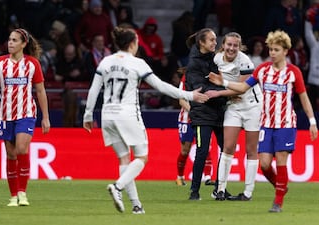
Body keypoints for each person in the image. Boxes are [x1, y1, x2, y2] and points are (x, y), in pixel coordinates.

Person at [82, 26, 209, 214]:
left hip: (107, 114)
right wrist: (189, 95)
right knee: (141, 157)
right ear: (133, 43)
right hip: (127, 114)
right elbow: (161, 86)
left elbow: (94, 89)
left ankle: (136, 205)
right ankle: (117, 187)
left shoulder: (105, 62)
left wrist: (88, 114)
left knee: (124, 159)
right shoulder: (137, 63)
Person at [209, 30, 318, 212]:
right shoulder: (262, 70)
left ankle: (278, 202)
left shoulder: (293, 72)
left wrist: (312, 121)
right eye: (271, 49)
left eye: (276, 49)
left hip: (285, 124)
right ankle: (281, 186)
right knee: (265, 164)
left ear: (285, 51)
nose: (272, 53)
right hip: (266, 124)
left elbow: (304, 97)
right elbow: (244, 87)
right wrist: (224, 83)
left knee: (281, 161)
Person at [0, 28, 51, 207]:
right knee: (11, 155)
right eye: (9, 40)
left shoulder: (33, 64)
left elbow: (41, 91)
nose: (10, 43)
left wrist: (46, 117)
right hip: (6, 114)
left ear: (23, 44)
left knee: (21, 148)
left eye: (14, 40)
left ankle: (22, 193)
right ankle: (13, 196)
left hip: (26, 113)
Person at [206, 32, 262, 201]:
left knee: (251, 150)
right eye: (229, 45)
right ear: (223, 45)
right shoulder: (216, 60)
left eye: (235, 45)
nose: (231, 48)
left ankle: (247, 193)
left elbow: (242, 88)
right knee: (228, 147)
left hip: (252, 105)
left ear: (239, 47)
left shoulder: (245, 61)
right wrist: (227, 94)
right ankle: (220, 189)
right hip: (233, 106)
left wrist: (220, 92)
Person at [185, 28, 229, 200]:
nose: (214, 42)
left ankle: (220, 188)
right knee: (202, 151)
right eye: (211, 40)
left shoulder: (217, 60)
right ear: (201, 43)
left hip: (218, 111)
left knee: (226, 150)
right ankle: (194, 191)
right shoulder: (194, 64)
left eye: (215, 39)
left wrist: (221, 91)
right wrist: (223, 91)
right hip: (202, 113)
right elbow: (200, 89)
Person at [176, 68, 214, 186]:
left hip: (203, 118)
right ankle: (180, 177)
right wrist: (193, 111)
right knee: (185, 150)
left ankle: (207, 177)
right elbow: (181, 100)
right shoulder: (185, 79)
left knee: (205, 146)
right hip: (186, 119)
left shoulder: (208, 77)